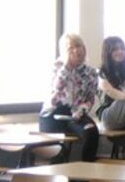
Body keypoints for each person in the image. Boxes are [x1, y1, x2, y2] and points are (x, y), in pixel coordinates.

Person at [39, 32, 100, 163]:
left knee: (91, 131)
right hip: (53, 112)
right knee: (57, 148)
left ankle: (87, 170)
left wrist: (81, 110)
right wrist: (66, 67)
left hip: (75, 113)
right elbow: (55, 90)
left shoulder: (91, 72)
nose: (76, 51)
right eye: (70, 48)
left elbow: (90, 98)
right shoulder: (56, 68)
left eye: (78, 46)